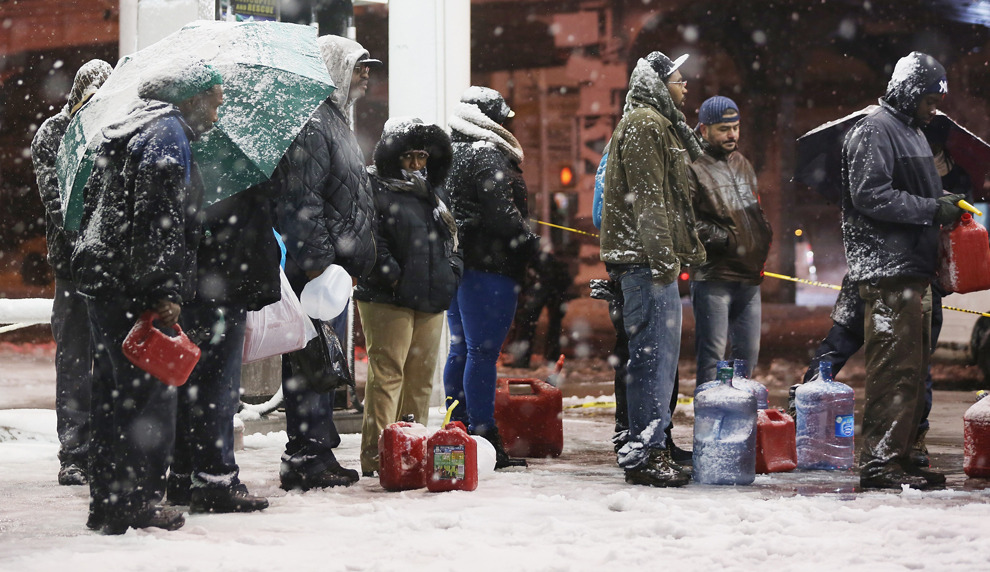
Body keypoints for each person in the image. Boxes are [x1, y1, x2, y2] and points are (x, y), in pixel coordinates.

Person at [71, 58, 224, 534]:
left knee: (112, 396)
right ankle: (136, 501)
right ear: (192, 99)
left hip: (104, 282)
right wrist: (164, 291)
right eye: (215, 104)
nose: (217, 115)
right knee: (145, 400)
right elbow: (158, 219)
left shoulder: (125, 129)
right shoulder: (167, 135)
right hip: (132, 288)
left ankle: (109, 502)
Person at [797, 120, 972, 467]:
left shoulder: (952, 180)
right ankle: (804, 408)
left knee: (916, 366)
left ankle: (912, 438)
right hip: (875, 274)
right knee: (839, 346)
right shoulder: (885, 158)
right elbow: (874, 203)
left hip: (921, 282)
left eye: (934, 154)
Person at [841, 51, 959, 490]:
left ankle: (903, 454)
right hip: (889, 272)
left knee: (911, 370)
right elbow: (869, 196)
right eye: (929, 99)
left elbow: (906, 192)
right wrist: (932, 208)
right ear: (909, 93)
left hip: (914, 271)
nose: (935, 108)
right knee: (893, 369)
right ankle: (879, 462)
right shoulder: (874, 130)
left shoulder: (911, 131)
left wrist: (945, 201)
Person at [272, 34, 378, 491]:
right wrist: (318, 264)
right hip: (318, 270)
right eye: (358, 66)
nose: (366, 74)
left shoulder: (330, 117)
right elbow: (302, 202)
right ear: (333, 68)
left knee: (321, 361)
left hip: (330, 267)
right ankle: (307, 454)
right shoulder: (314, 122)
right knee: (313, 362)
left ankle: (316, 448)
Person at [598, 51, 705, 487]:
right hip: (646, 265)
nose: (685, 87)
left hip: (650, 263)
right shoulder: (645, 124)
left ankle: (653, 444)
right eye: (679, 80)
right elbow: (649, 200)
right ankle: (645, 453)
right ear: (659, 85)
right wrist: (664, 261)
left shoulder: (656, 124)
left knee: (657, 363)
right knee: (651, 363)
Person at [165, 184, 279, 513]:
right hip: (221, 278)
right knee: (216, 384)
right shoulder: (225, 161)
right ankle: (215, 478)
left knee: (194, 381)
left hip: (207, 278)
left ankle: (185, 476)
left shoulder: (190, 152)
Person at [354, 117, 459, 476]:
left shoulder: (433, 189)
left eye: (422, 156)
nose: (416, 164)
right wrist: (392, 276)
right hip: (387, 298)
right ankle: (378, 456)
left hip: (430, 296)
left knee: (420, 380)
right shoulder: (372, 186)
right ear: (392, 154)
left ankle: (412, 454)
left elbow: (452, 238)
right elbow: (370, 237)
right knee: (388, 376)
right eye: (409, 156)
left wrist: (451, 272)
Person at [443, 86, 539, 469]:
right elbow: (503, 217)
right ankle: (485, 438)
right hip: (491, 268)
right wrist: (530, 243)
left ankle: (458, 430)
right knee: (482, 353)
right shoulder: (486, 154)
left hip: (460, 264)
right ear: (490, 119)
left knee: (462, 349)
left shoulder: (452, 152)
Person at [30, 58, 112, 486]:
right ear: (79, 94)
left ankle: (101, 446)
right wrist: (92, 233)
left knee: (109, 360)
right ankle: (75, 451)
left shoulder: (111, 130)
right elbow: (56, 198)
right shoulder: (53, 132)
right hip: (72, 268)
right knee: (76, 359)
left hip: (106, 267)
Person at [688, 96, 773, 385]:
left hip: (749, 277)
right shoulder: (692, 166)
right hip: (714, 276)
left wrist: (762, 234)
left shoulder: (742, 163)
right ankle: (709, 427)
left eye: (735, 127)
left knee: (747, 359)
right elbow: (685, 222)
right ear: (704, 130)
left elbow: (753, 211)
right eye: (724, 129)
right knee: (712, 360)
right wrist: (725, 240)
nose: (732, 134)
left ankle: (739, 422)